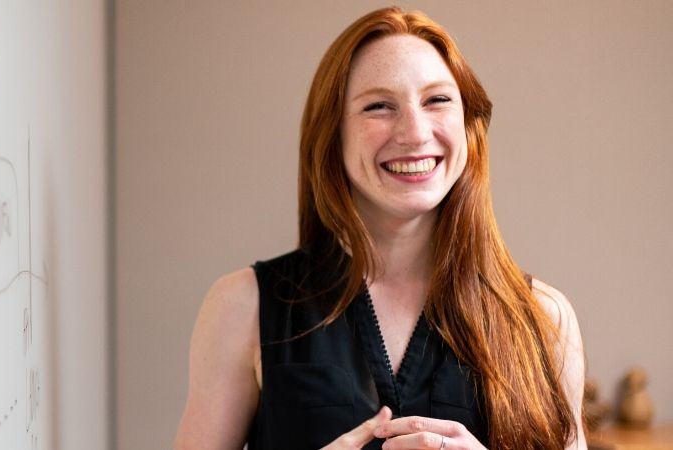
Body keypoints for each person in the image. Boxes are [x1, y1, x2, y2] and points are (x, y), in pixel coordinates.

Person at [175, 7, 585, 450]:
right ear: (332, 136)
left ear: (468, 126)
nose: (414, 131)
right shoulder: (241, 308)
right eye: (378, 106)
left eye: (437, 100)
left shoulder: (545, 318)